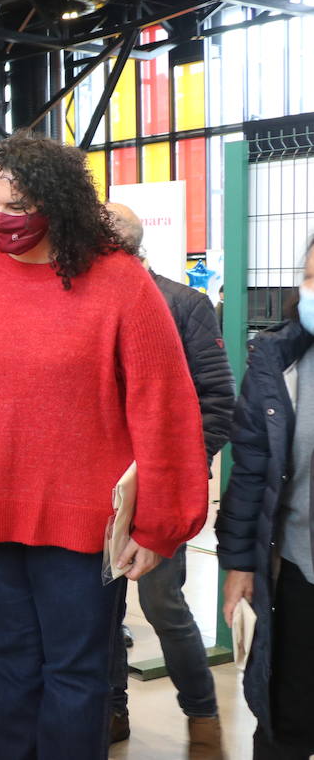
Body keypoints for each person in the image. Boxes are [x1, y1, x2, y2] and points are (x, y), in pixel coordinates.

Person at [0, 131, 210, 760]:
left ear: (60, 201)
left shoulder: (119, 282)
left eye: (18, 206)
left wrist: (160, 523)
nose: (2, 219)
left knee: (78, 677)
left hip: (84, 531)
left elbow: (165, 405)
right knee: (8, 669)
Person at [105, 203, 234, 753]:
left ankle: (201, 713)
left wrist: (176, 469)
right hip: (96, 491)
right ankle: (112, 711)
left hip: (157, 490)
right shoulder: (85, 304)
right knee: (99, 610)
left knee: (163, 605)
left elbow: (217, 404)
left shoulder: (184, 304)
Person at [217, 234, 314, 760]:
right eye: (313, 277)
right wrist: (239, 562)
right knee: (286, 719)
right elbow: (251, 468)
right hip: (300, 574)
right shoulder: (280, 362)